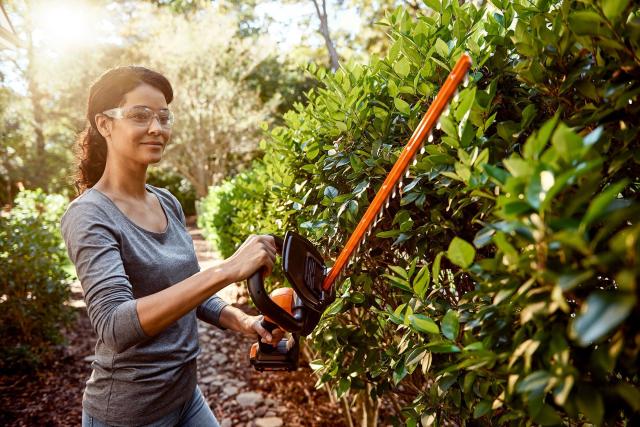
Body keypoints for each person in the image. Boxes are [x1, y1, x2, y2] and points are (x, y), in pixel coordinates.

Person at [61, 65, 283, 427]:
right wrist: (226, 270)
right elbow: (115, 326)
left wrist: (241, 320)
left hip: (185, 396)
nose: (156, 128)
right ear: (105, 125)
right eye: (140, 115)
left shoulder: (167, 202)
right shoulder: (89, 214)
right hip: (131, 413)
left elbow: (186, 288)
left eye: (164, 117)